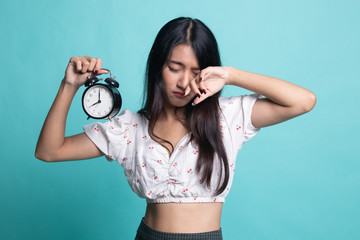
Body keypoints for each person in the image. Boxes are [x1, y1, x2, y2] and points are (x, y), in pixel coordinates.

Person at [35, 17, 316, 240]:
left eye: (196, 72)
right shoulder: (130, 128)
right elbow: (49, 151)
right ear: (158, 67)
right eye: (174, 67)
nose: (184, 82)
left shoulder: (228, 117)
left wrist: (231, 74)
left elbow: (303, 101)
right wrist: (69, 85)